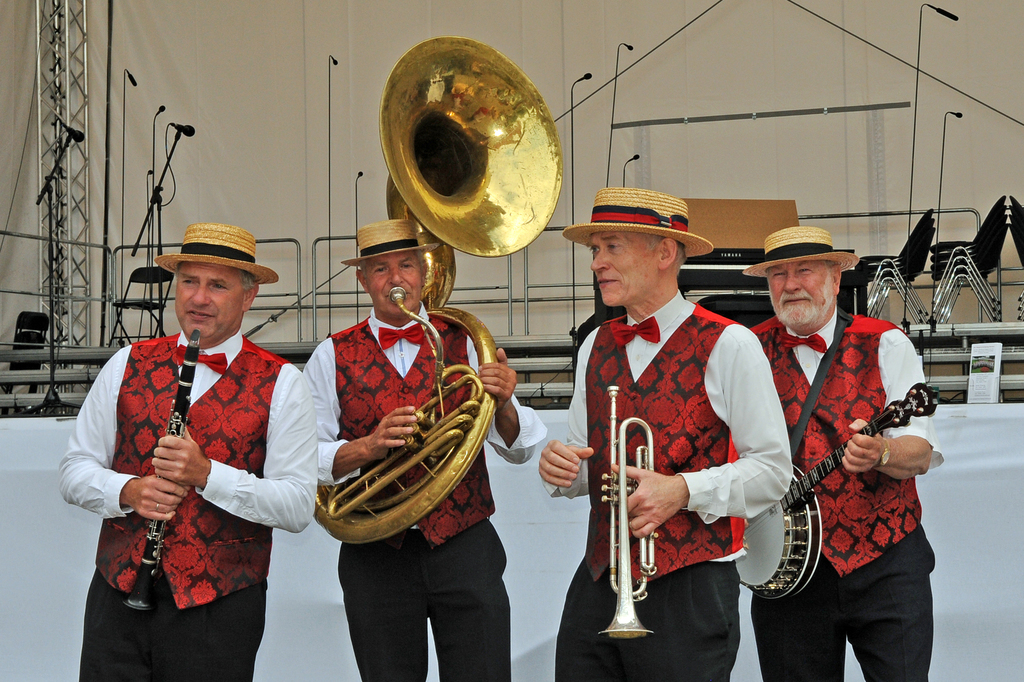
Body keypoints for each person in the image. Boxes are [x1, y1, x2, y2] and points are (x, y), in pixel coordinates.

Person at [538, 187, 792, 682]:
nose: (597, 262)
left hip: (691, 586)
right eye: (595, 249)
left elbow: (773, 472)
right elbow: (585, 464)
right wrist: (561, 469)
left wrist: (682, 490)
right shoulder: (594, 344)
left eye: (612, 247)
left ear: (664, 253)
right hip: (600, 579)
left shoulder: (730, 343)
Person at [59, 222, 319, 681]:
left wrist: (207, 474)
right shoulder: (125, 363)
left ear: (249, 296)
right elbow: (74, 470)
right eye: (189, 281)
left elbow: (297, 505)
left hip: (219, 609)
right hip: (117, 596)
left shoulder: (284, 383)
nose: (199, 298)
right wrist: (129, 491)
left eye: (217, 285)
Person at [302, 218, 547, 682]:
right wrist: (369, 446)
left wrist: (504, 401)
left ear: (425, 272)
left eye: (406, 265)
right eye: (380, 269)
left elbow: (518, 449)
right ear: (362, 280)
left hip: (464, 544)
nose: (395, 279)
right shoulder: (330, 355)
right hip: (375, 552)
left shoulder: (468, 340)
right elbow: (305, 459)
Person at [743, 225, 942, 682]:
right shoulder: (745, 349)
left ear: (835, 279)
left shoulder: (887, 341)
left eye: (805, 270)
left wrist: (882, 452)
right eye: (778, 274)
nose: (791, 284)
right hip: (788, 568)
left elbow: (920, 452)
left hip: (886, 560)